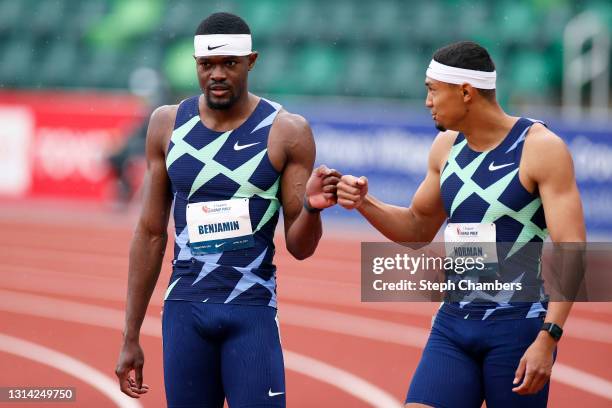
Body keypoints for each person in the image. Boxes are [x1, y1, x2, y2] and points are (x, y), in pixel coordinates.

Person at [337, 41, 585, 407]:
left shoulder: (541, 149)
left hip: (517, 327)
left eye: (433, 91)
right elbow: (418, 227)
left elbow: (572, 248)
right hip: (453, 324)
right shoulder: (445, 148)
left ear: (466, 92)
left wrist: (548, 337)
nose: (427, 102)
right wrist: (363, 203)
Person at [115, 12, 340, 408]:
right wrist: (130, 335)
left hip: (251, 311)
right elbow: (150, 233)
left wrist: (312, 208)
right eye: (207, 65)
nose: (217, 74)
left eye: (229, 64)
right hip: (185, 311)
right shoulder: (167, 125)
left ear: (251, 61)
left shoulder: (286, 131)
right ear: (196, 64)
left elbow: (301, 247)